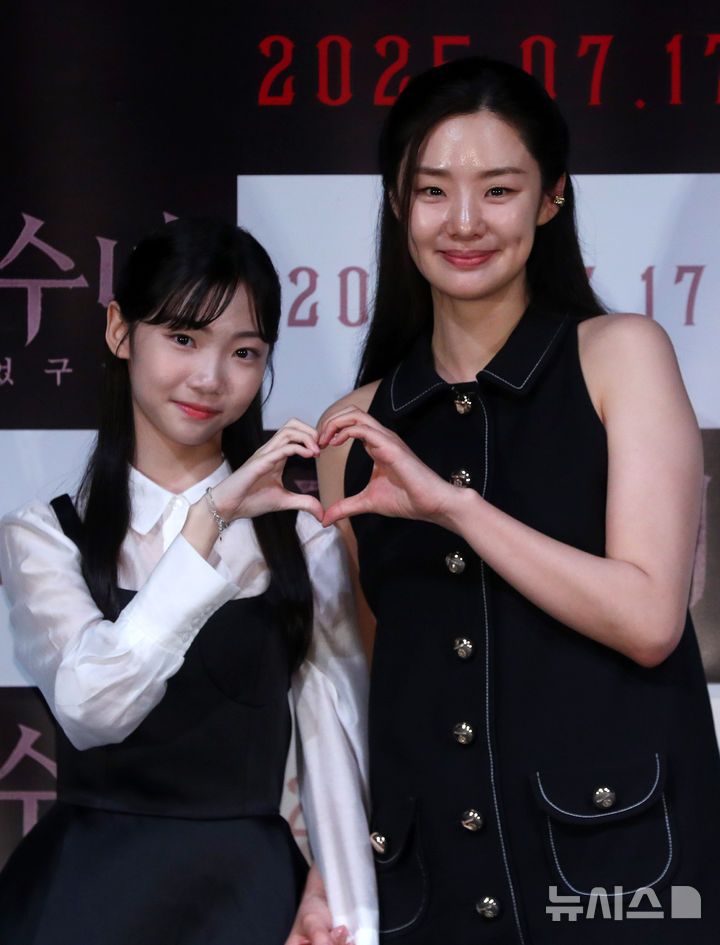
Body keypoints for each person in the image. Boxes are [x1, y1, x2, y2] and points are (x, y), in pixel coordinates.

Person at [315, 57, 720, 943]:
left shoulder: (619, 355)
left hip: (618, 875)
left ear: (550, 198)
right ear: (397, 202)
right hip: (433, 883)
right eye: (433, 190)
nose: (464, 222)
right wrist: (328, 866)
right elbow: (382, 678)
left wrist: (456, 507)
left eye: (498, 189)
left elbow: (650, 616)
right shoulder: (355, 427)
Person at [0, 219, 377, 945]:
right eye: (182, 338)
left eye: (244, 352)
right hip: (82, 898)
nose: (210, 377)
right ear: (120, 331)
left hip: (248, 899)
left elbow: (341, 743)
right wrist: (210, 522)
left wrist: (335, 901)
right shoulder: (43, 537)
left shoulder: (302, 538)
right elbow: (94, 704)